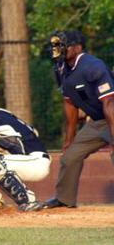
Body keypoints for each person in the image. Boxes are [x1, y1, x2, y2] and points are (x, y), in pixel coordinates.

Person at [44, 30, 114, 209]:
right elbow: (70, 105)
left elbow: (109, 104)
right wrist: (69, 140)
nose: (57, 49)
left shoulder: (93, 66)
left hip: (112, 114)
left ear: (77, 47)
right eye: (56, 45)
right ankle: (64, 198)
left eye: (62, 45)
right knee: (70, 157)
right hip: (99, 121)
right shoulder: (61, 69)